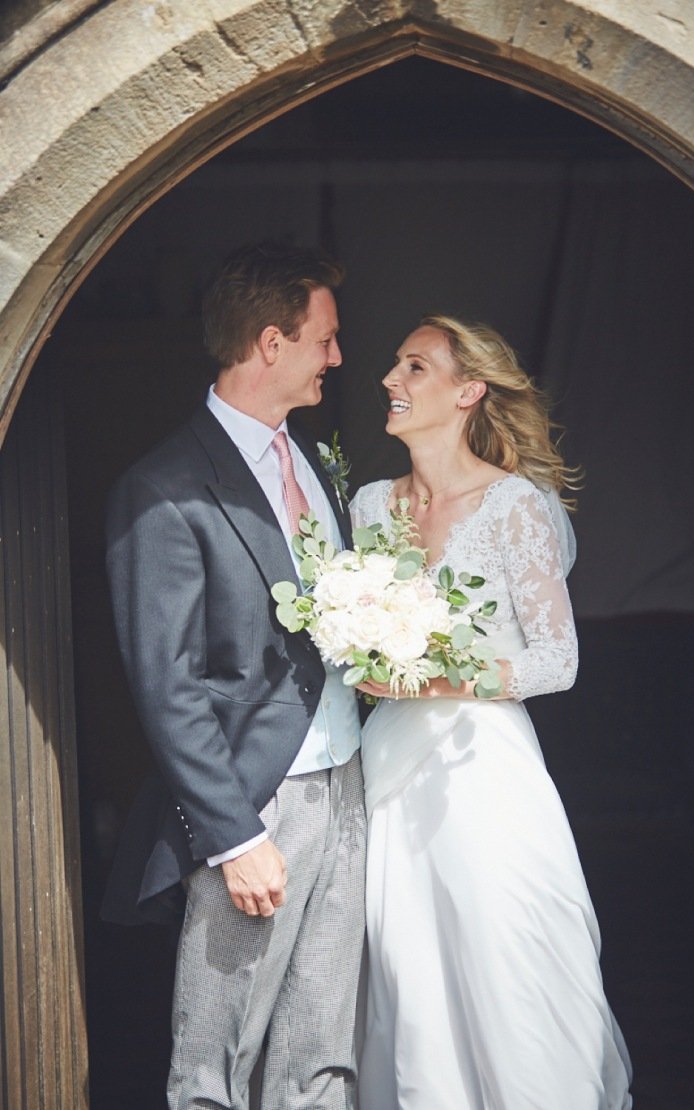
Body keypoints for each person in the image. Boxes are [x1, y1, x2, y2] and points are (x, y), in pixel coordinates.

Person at [102, 242, 366, 1109]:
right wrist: (234, 834)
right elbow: (164, 683)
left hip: (344, 776)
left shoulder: (319, 459)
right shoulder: (165, 488)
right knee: (214, 1064)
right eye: (323, 339)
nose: (336, 356)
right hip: (254, 802)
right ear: (270, 343)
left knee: (322, 1052)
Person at [351, 315, 632, 1109]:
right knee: (408, 973)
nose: (390, 380)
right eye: (395, 365)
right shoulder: (373, 506)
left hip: (483, 770)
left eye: (415, 367)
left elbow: (557, 660)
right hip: (388, 770)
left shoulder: (513, 507)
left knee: (505, 962)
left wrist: (434, 682)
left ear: (469, 392)